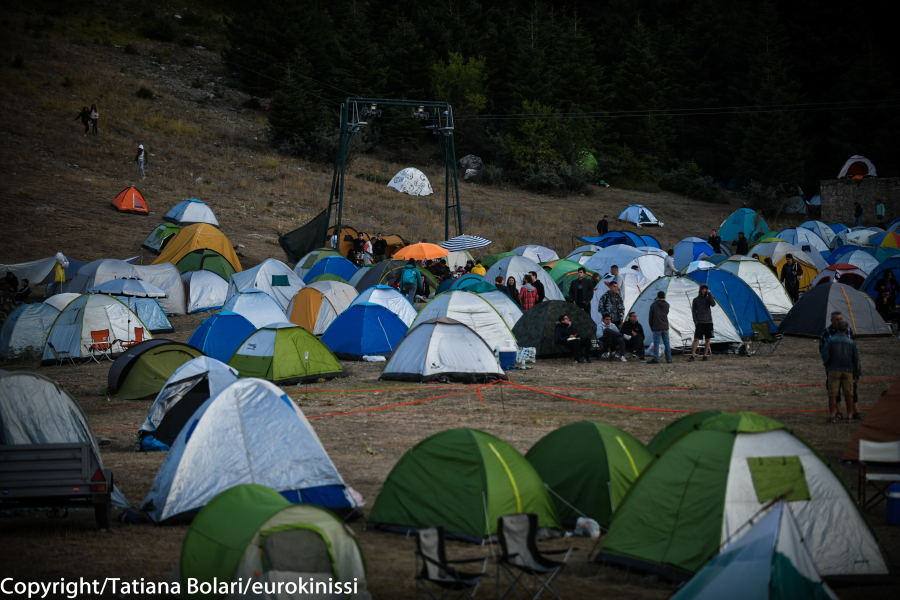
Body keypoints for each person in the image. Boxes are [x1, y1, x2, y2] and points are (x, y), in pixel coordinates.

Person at [820, 311, 860, 420]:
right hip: (836, 368)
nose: (839, 321)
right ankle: (841, 414)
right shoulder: (826, 333)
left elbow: (825, 353)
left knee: (851, 391)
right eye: (837, 319)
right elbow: (822, 351)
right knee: (835, 392)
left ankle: (854, 413)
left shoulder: (847, 333)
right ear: (832, 320)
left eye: (840, 319)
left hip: (844, 368)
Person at [690, 284, 716, 361]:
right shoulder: (696, 300)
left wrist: (710, 294)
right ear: (700, 290)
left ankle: (705, 356)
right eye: (703, 289)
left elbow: (713, 304)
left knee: (708, 339)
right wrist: (696, 321)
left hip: (708, 321)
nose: (704, 291)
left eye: (705, 289)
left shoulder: (708, 299)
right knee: (696, 339)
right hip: (700, 322)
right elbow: (694, 312)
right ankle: (693, 355)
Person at [648, 291, 671, 364]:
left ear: (657, 296)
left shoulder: (653, 305)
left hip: (657, 326)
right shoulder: (667, 305)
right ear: (664, 297)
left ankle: (656, 359)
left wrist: (651, 326)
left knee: (656, 343)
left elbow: (650, 317)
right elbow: (666, 313)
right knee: (667, 343)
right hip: (665, 326)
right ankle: (668, 359)